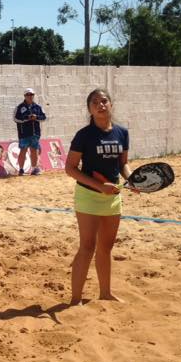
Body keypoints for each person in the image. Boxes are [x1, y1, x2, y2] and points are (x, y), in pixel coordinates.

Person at [64, 88, 133, 306]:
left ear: (111, 104)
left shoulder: (122, 133)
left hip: (112, 196)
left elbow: (123, 164)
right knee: (87, 247)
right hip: (88, 196)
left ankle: (105, 293)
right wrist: (98, 186)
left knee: (106, 247)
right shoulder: (84, 135)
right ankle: (75, 300)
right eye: (95, 102)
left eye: (104, 101)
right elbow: (71, 168)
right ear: (90, 109)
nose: (100, 105)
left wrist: (132, 179)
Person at [13, 88, 47, 175]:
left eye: (31, 94)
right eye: (28, 95)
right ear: (24, 96)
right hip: (24, 134)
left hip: (35, 133)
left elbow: (43, 117)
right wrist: (27, 118)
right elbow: (15, 118)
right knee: (23, 151)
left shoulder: (38, 107)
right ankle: (21, 169)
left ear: (34, 95)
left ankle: (34, 169)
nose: (30, 96)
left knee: (34, 150)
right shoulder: (19, 107)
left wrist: (36, 117)